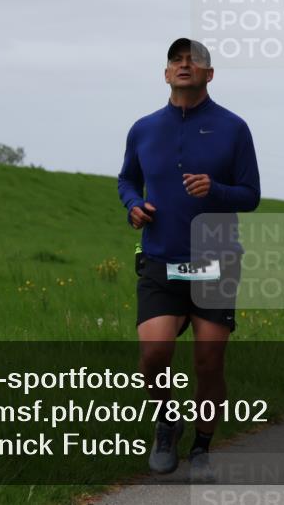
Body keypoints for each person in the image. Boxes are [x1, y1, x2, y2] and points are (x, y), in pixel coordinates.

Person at [118, 38, 260, 479]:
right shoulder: (143, 129)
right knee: (153, 354)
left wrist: (215, 190)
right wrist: (133, 206)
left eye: (193, 60)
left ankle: (201, 448)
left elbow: (250, 195)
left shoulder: (233, 128)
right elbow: (127, 180)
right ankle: (167, 421)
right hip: (160, 259)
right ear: (165, 74)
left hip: (216, 261)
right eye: (176, 60)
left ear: (209, 74)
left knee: (208, 362)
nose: (184, 65)